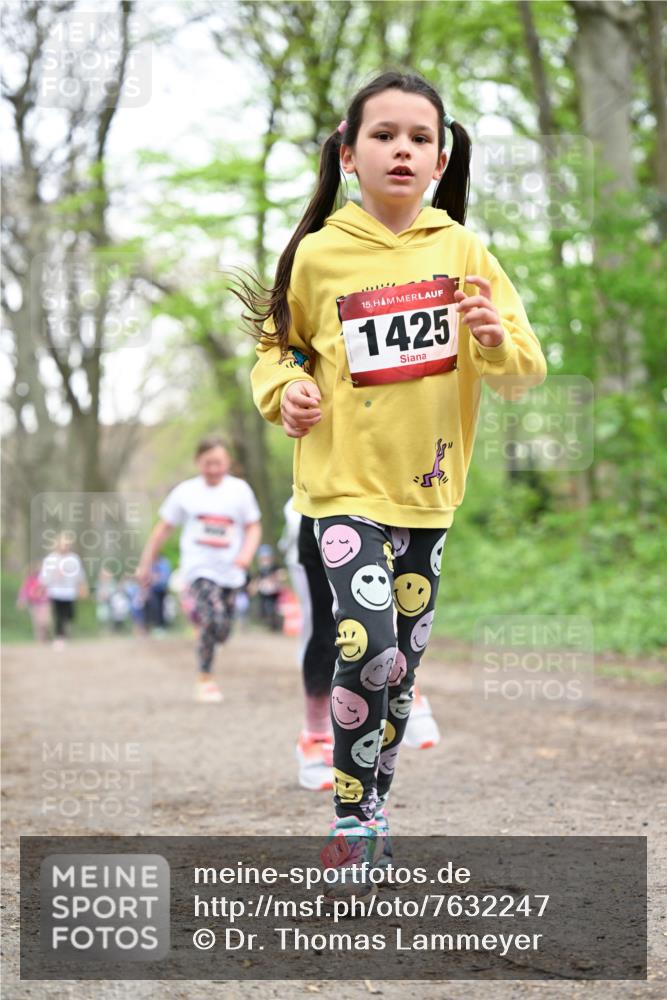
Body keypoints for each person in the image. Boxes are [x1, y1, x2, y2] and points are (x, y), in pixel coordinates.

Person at [246, 70, 547, 893]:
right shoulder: (317, 254)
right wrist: (287, 392)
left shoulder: (464, 252)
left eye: (420, 137)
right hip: (341, 487)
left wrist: (491, 336)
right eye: (383, 135)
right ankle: (349, 822)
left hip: (428, 490)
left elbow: (523, 372)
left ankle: (373, 802)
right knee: (367, 642)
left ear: (442, 156)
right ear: (348, 154)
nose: (402, 150)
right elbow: (277, 350)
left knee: (401, 667)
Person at [281, 496, 441, 793]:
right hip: (331, 497)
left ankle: (406, 685)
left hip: (407, 495)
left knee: (397, 610)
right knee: (328, 625)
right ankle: (315, 736)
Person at [136, 436, 262, 703]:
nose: (213, 469)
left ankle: (208, 630)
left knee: (223, 628)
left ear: (228, 462)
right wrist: (146, 563)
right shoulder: (185, 492)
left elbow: (253, 525)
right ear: (197, 463)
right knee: (212, 619)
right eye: (207, 464)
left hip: (231, 569)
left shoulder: (240, 490)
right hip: (198, 567)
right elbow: (163, 529)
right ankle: (205, 678)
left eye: (218, 463)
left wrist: (246, 554)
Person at [39, 532, 88, 650]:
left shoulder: (74, 558)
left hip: (70, 592)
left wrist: (83, 588)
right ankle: (59, 637)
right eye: (63, 544)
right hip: (55, 591)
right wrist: (42, 588)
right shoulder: (51, 558)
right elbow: (44, 576)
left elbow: (80, 575)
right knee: (59, 615)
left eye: (68, 544)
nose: (65, 546)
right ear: (58, 544)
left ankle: (64, 633)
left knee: (70, 615)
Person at [16, 565, 50, 643]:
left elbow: (49, 590)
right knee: (37, 622)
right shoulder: (29, 581)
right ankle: (40, 639)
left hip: (44, 603)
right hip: (34, 603)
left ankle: (46, 636)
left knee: (45, 621)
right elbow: (24, 592)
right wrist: (21, 601)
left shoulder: (43, 580)